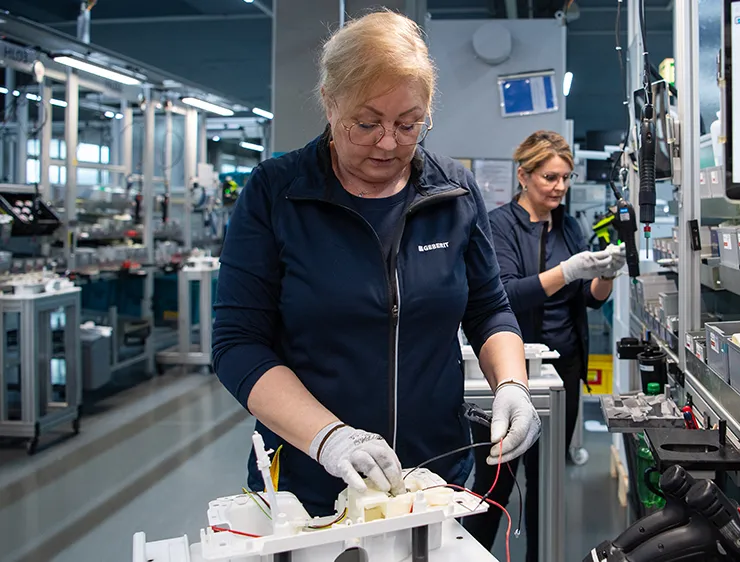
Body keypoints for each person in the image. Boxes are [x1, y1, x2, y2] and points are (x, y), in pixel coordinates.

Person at [211, 11, 541, 517]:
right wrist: (328, 437)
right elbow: (238, 345)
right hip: (308, 485)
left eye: (409, 124)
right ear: (330, 103)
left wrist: (513, 384)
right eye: (366, 124)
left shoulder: (454, 193)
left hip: (433, 478)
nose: (389, 143)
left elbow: (488, 310)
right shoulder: (276, 194)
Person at [464, 131, 625, 559]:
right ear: (524, 176)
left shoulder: (568, 227)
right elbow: (506, 295)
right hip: (511, 371)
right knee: (495, 483)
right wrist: (568, 270)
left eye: (566, 178)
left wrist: (606, 273)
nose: (560, 187)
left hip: (562, 369)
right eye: (550, 177)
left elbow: (589, 298)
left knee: (546, 483)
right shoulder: (498, 226)